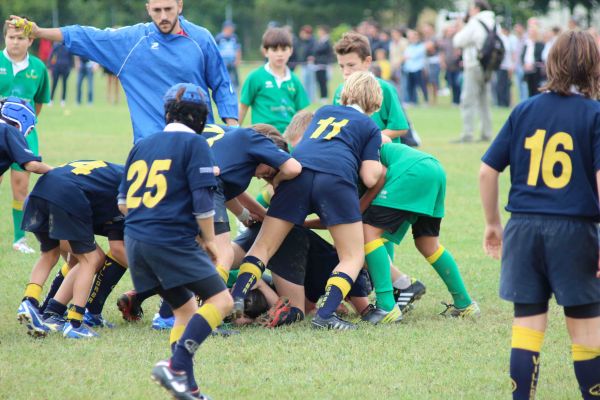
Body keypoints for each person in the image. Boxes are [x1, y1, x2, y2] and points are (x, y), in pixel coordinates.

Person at [479, 31, 600, 400]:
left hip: (523, 228)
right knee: (586, 332)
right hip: (574, 231)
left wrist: (492, 224)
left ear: (550, 64)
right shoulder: (594, 113)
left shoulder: (524, 109)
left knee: (527, 326)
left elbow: (487, 171)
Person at [230, 71, 383, 331]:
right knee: (352, 255)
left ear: (345, 93)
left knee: (262, 248)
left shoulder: (323, 111)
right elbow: (369, 177)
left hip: (297, 174)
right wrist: (380, 168)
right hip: (335, 179)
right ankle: (325, 315)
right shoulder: (369, 126)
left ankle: (233, 302)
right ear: (375, 102)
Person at [119, 83, 232, 399]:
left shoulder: (142, 145)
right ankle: (177, 366)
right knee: (221, 301)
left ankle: (189, 389)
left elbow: (123, 204)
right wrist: (209, 240)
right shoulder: (196, 144)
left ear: (167, 112)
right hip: (168, 239)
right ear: (201, 119)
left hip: (135, 240)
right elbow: (203, 203)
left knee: (184, 309)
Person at [9, 0, 238, 144]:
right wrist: (39, 32)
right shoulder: (131, 42)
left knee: (208, 218)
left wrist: (233, 129)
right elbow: (85, 35)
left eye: (169, 9)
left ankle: (244, 219)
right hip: (151, 148)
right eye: (157, 10)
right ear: (148, 8)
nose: (163, 16)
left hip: (199, 143)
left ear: (180, 5)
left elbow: (221, 84)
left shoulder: (201, 38)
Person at [361, 141, 479, 323]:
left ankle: (386, 305)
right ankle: (464, 303)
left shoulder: (346, 151)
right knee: (428, 244)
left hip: (410, 171)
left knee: (366, 234)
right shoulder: (361, 136)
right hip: (433, 167)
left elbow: (376, 176)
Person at [17, 160, 123, 339]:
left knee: (50, 255)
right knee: (91, 260)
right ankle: (75, 323)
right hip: (66, 197)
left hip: (40, 192)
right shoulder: (131, 182)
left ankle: (31, 301)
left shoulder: (111, 170)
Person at [0, 18, 51, 254]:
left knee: (21, 186)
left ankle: (20, 239)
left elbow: (39, 103)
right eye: (11, 37)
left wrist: (25, 124)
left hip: (25, 135)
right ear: (5, 38)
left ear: (30, 40)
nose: (15, 42)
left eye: (21, 38)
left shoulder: (39, 68)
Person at [239, 27, 309, 134]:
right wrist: (233, 132)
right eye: (275, 50)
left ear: (291, 51)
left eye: (284, 49)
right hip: (262, 137)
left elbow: (302, 113)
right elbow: (243, 107)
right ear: (265, 51)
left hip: (287, 139)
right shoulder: (255, 77)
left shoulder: (295, 80)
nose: (280, 54)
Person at [452, 0, 495, 142]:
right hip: (489, 65)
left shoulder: (475, 22)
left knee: (468, 100)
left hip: (474, 64)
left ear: (477, 9)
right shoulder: (493, 21)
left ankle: (467, 134)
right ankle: (486, 133)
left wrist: (461, 27)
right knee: (484, 101)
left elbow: (458, 41)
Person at [0, 96, 51, 177]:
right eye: (30, 130)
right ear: (23, 119)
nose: (27, 134)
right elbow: (32, 165)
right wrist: (57, 170)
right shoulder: (10, 131)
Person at [215, 20, 241, 93]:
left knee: (234, 77)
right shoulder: (219, 38)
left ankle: (235, 89)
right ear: (226, 28)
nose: (232, 29)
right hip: (223, 61)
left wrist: (237, 60)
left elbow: (238, 49)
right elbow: (215, 51)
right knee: (222, 76)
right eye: (231, 28)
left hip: (232, 61)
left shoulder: (234, 37)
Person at [48, 42, 73, 106]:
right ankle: (51, 99)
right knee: (54, 84)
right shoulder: (56, 45)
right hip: (56, 67)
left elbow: (71, 58)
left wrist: (70, 67)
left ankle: (63, 100)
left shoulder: (68, 46)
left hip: (65, 68)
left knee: (64, 84)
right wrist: (50, 67)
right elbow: (51, 56)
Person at [313, 25, 333, 103]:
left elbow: (319, 50)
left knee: (323, 82)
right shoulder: (320, 41)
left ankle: (325, 97)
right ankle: (321, 96)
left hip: (324, 64)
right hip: (318, 64)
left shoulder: (327, 41)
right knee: (319, 81)